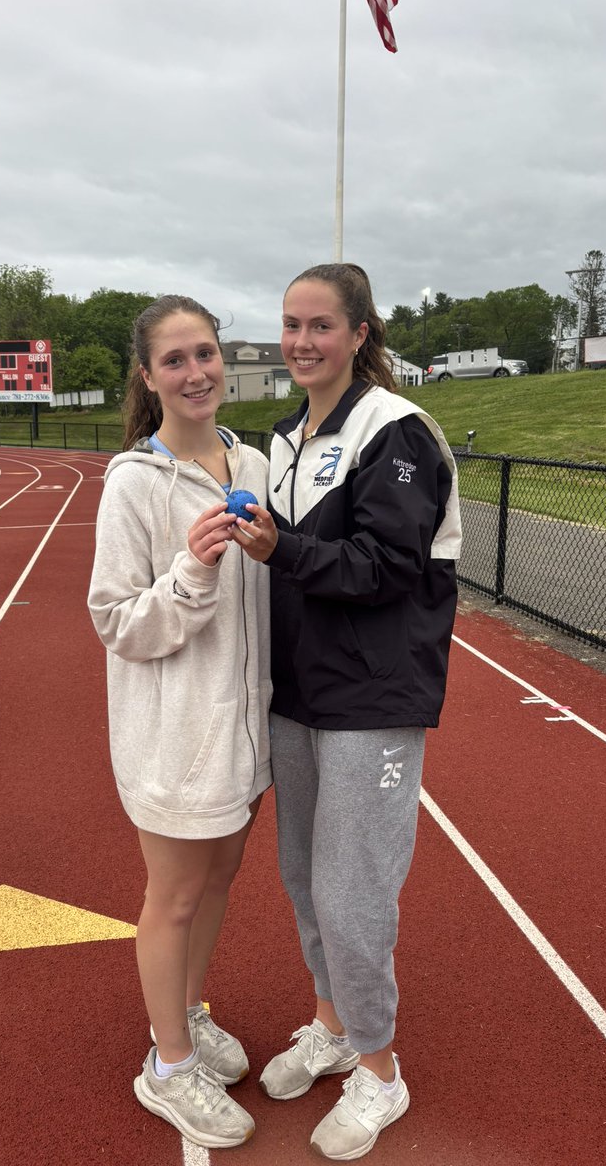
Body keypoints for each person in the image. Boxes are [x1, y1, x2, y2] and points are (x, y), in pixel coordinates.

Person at [231, 263, 462, 1160]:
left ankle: (381, 1069)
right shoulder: (288, 435)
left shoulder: (395, 430)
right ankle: (331, 1023)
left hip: (373, 695)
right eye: (290, 324)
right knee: (302, 878)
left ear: (360, 333)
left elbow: (386, 569)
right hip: (300, 694)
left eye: (320, 325)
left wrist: (279, 550)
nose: (300, 342)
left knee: (352, 890)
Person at [87, 295, 275, 1149]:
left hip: (243, 731)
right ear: (149, 375)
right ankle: (166, 1066)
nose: (196, 372)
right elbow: (117, 622)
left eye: (206, 353)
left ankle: (190, 1016)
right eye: (176, 359)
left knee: (218, 883)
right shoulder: (133, 482)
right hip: (172, 737)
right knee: (172, 896)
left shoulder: (256, 461)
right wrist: (190, 574)